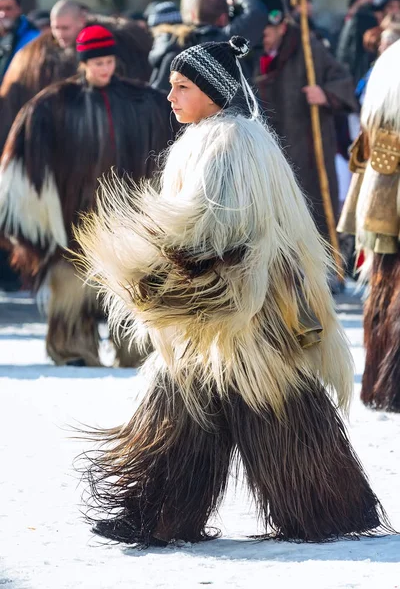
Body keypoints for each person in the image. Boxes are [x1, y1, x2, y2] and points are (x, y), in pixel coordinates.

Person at [74, 35, 390, 545]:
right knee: (184, 410)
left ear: (214, 91)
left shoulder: (231, 143)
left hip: (248, 311)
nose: (170, 96)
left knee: (272, 411)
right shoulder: (213, 138)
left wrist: (157, 262)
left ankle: (324, 510)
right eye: (171, 86)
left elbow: (219, 230)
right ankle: (155, 514)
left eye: (181, 87)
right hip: (220, 310)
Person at [0, 25, 173, 367]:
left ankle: (135, 352)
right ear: (83, 64)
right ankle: (73, 351)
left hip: (127, 220)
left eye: (109, 61)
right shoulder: (53, 105)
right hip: (72, 218)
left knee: (132, 290)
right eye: (97, 63)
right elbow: (25, 154)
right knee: (71, 290)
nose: (105, 68)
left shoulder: (143, 102)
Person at [255, 0, 357, 241]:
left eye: (266, 33)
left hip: (305, 147)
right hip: (265, 147)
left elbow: (342, 79)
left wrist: (325, 93)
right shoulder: (250, 50)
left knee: (310, 209)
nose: (263, 40)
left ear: (280, 26)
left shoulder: (306, 47)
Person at [0, 0, 152, 153]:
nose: (59, 34)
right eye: (55, 28)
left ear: (81, 22)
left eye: (65, 28)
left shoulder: (110, 44)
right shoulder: (52, 59)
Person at [338, 39, 400, 411]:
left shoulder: (389, 58)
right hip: (386, 181)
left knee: (382, 288)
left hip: (379, 187)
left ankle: (381, 384)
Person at [149, 0, 268, 92]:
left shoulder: (174, 45)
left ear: (193, 15)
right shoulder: (225, 41)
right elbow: (257, 13)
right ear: (223, 19)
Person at [0, 0, 39, 81]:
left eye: (8, 9)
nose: (3, 14)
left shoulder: (33, 38)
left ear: (19, 9)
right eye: (0, 9)